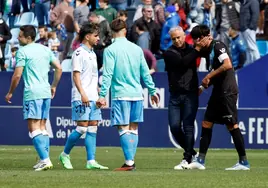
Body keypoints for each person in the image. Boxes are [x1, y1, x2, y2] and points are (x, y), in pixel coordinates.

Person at [97, 19, 159, 171]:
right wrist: (152, 91)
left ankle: (129, 162)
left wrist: (102, 94)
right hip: (137, 95)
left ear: (111, 32)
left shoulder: (110, 50)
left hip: (121, 95)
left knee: (123, 128)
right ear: (125, 31)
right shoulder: (137, 49)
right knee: (133, 128)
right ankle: (130, 160)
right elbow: (145, 72)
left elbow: (108, 75)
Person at [187, 25, 250, 170]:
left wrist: (208, 76)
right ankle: (200, 160)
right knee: (206, 123)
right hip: (218, 91)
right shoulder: (208, 51)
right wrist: (202, 87)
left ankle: (243, 162)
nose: (196, 43)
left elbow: (227, 65)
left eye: (196, 40)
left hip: (227, 91)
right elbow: (216, 73)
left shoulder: (218, 46)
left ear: (202, 38)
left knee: (231, 125)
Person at [5, 25, 62, 171]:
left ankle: (45, 159)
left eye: (20, 35)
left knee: (33, 129)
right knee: (42, 127)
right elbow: (59, 68)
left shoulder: (22, 52)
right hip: (45, 92)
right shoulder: (45, 49)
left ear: (28, 38)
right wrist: (54, 85)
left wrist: (10, 92)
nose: (18, 37)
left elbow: (17, 75)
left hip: (33, 93)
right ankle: (45, 159)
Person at [59, 22, 109, 170]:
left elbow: (92, 76)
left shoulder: (92, 53)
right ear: (87, 36)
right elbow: (76, 76)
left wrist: (98, 92)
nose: (98, 38)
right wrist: (83, 94)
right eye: (95, 35)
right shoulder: (79, 53)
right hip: (82, 96)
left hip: (93, 96)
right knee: (81, 129)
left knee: (93, 128)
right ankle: (65, 154)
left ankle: (91, 161)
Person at [163, 26, 209, 170]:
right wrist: (197, 49)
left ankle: (187, 158)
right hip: (175, 95)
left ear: (184, 36)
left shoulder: (193, 49)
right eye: (174, 38)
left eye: (179, 37)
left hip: (190, 93)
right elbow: (182, 63)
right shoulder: (169, 52)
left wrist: (207, 40)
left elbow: (208, 53)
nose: (177, 40)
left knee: (188, 126)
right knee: (175, 127)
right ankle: (192, 153)